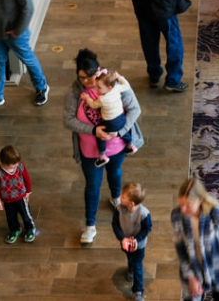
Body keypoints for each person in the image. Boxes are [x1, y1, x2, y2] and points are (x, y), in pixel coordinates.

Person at [63, 48, 144, 244]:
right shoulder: (75, 91)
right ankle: (90, 225)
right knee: (92, 186)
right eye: (82, 78)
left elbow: (135, 109)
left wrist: (120, 131)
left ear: (98, 70)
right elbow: (68, 120)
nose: (87, 82)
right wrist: (94, 131)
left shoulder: (111, 83)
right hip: (90, 151)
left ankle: (116, 197)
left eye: (90, 77)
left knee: (115, 172)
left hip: (116, 146)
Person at [171, 177, 219, 301]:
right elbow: (180, 249)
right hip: (194, 266)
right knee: (192, 296)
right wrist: (191, 276)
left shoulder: (218, 215)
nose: (183, 210)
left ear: (200, 200)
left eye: (188, 205)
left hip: (218, 265)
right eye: (181, 204)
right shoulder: (177, 216)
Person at [81, 68, 137, 165]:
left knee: (100, 134)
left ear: (109, 87)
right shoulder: (117, 88)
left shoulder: (102, 99)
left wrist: (87, 98)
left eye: (99, 87)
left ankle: (102, 156)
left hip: (111, 123)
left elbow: (93, 105)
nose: (97, 90)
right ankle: (131, 145)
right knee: (124, 131)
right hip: (122, 118)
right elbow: (126, 85)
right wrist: (119, 77)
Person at [113, 182, 152, 301]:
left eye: (123, 196)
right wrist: (122, 238)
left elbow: (147, 228)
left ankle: (138, 291)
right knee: (129, 257)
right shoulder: (119, 209)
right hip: (125, 242)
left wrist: (137, 239)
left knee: (138, 266)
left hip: (139, 246)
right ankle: (130, 267)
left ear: (131, 203)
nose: (120, 197)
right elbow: (115, 224)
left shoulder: (144, 213)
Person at [0, 144, 37, 243]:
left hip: (21, 198)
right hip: (7, 200)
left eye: (17, 162)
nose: (17, 164)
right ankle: (15, 229)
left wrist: (28, 192)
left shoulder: (20, 167)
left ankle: (30, 228)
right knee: (10, 217)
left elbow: (27, 179)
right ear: (5, 163)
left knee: (26, 215)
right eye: (14, 164)